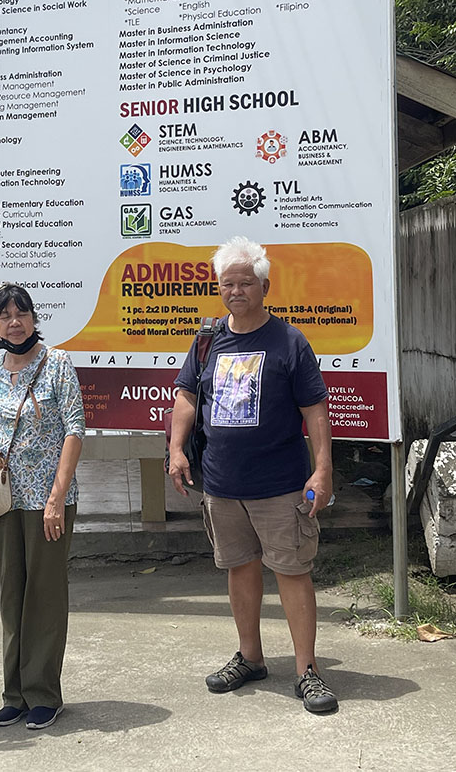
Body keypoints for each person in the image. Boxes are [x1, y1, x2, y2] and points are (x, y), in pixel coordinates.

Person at [168, 237, 338, 714]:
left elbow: (316, 410)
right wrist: (177, 449)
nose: (236, 290)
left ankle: (307, 670)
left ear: (265, 285)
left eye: (246, 282)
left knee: (292, 572)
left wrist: (322, 469)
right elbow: (186, 398)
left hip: (281, 484)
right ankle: (250, 657)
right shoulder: (206, 340)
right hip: (222, 485)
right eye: (228, 283)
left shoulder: (289, 341)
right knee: (239, 570)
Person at [0, 283, 85, 731]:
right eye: (4, 315)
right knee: (11, 593)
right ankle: (14, 694)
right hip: (3, 499)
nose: (14, 321)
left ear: (35, 318)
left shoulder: (56, 363)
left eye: (21, 313)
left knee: (44, 594)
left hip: (47, 500)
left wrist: (57, 497)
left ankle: (43, 693)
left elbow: (75, 430)